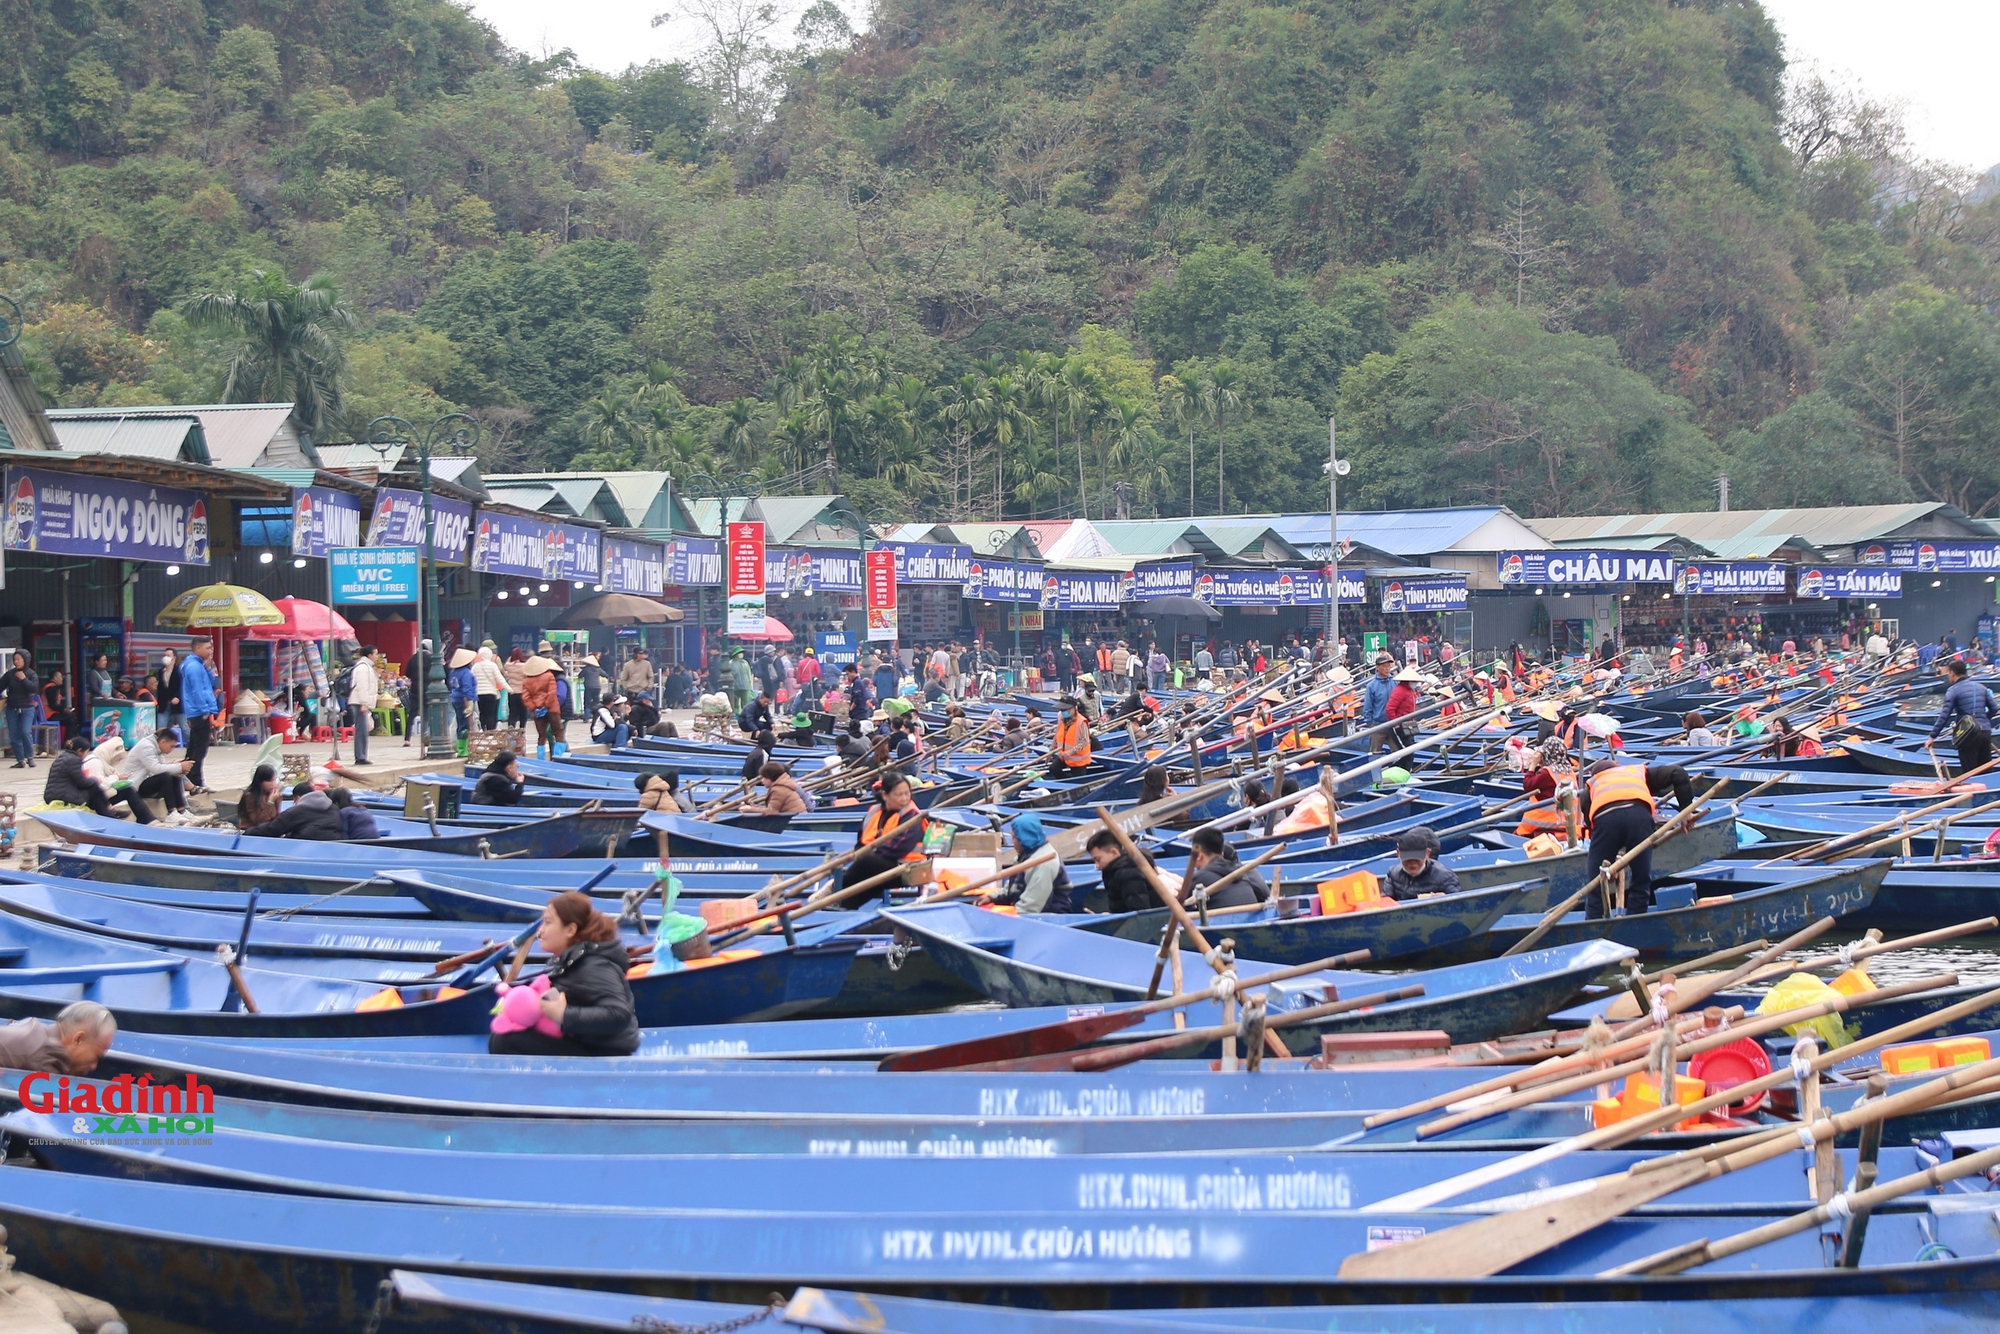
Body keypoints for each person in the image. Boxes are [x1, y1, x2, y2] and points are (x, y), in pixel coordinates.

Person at [487, 892, 639, 1057]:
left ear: (570, 930)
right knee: (502, 1036)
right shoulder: (571, 961)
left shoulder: (593, 965)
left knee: (505, 1041)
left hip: (603, 1054)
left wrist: (563, 1015)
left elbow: (618, 1014)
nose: (540, 931)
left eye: (547, 922)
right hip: (584, 1042)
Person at [1580, 758, 1696, 917]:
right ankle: (1635, 920)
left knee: (1596, 885)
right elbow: (1678, 773)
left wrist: (1608, 864)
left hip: (1606, 821)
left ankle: (1592, 928)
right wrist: (1687, 811)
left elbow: (1594, 831)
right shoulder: (1637, 772)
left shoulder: (1590, 787)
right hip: (1639, 818)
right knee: (1641, 879)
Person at [841, 772, 928, 900]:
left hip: (908, 869)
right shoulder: (873, 812)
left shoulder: (912, 815)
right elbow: (860, 844)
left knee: (866, 864)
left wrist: (870, 858)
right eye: (899, 794)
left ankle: (837, 891)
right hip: (882, 865)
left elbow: (898, 848)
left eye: (907, 793)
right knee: (864, 870)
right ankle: (844, 904)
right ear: (885, 795)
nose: (904, 798)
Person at [0, 1000, 115, 1075]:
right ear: (78, 1040)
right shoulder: (45, 1059)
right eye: (96, 1057)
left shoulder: (35, 1029)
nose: (93, 1066)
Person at [994, 813, 1077, 912]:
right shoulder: (1025, 855)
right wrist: (992, 898)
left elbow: (1031, 906)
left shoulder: (1044, 863)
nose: (1012, 842)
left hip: (1049, 917)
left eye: (1013, 837)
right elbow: (1011, 887)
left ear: (1023, 838)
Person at [1930, 658, 1997, 775]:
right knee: (1986, 772)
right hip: (1985, 732)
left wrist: (1932, 737)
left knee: (1970, 773)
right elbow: (1994, 708)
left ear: (1952, 673)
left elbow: (1944, 716)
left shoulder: (1953, 690)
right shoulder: (1982, 687)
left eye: (1948, 673)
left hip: (1968, 735)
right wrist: (1984, 720)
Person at [120, 726, 194, 822]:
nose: (172, 750)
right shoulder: (147, 747)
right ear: (163, 742)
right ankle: (171, 812)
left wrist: (177, 767)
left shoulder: (157, 747)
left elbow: (161, 767)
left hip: (146, 780)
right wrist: (179, 767)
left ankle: (182, 810)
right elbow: (156, 769)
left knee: (175, 777)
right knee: (166, 777)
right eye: (172, 746)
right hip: (135, 785)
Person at [1184, 827, 1269, 910]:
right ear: (1222, 854)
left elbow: (1181, 904)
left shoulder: (1201, 878)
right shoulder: (1241, 872)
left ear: (1199, 856)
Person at [177, 637, 220, 791]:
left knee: (194, 746)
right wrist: (205, 710)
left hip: (198, 710)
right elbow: (197, 690)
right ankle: (196, 780)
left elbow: (207, 684)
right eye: (207, 648)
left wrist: (208, 669)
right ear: (198, 649)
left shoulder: (199, 665)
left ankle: (188, 779)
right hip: (199, 711)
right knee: (200, 748)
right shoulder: (194, 666)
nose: (210, 651)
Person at [1087, 828, 1158, 914]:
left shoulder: (1129, 873)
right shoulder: (1113, 872)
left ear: (1114, 852)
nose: (1097, 866)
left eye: (1098, 859)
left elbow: (1139, 912)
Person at [1383, 827, 1463, 900]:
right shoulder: (1392, 874)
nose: (1412, 863)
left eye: (1417, 858)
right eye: (1407, 858)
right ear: (1398, 854)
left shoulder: (1445, 877)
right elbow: (1385, 903)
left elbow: (1459, 905)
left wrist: (1446, 899)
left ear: (1427, 854)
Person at [252, 781, 344, 840]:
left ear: (297, 798)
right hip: (333, 846)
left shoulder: (297, 812)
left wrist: (248, 833)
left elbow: (272, 829)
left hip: (304, 849)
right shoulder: (333, 808)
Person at [341, 646, 379, 767]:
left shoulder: (366, 667)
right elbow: (362, 686)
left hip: (362, 702)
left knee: (363, 730)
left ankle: (362, 755)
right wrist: (364, 702)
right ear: (370, 655)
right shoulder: (363, 668)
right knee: (361, 730)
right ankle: (360, 756)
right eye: (376, 654)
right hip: (359, 702)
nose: (377, 656)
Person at [521, 654, 561, 759]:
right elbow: (552, 693)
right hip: (552, 708)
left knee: (541, 735)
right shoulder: (549, 676)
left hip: (537, 712)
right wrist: (546, 705)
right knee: (558, 732)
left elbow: (526, 698)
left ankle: (541, 758)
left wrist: (535, 707)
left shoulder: (526, 681)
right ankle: (559, 756)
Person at [2, 651, 38, 767]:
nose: (16, 662)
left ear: (25, 660)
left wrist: (24, 679)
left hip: (27, 708)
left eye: (18, 659)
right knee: (14, 734)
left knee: (25, 731)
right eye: (14, 659)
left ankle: (30, 757)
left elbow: (34, 688)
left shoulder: (31, 674)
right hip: (12, 707)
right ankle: (20, 760)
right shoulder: (10, 674)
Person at [1359, 654, 1395, 754]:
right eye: (1384, 666)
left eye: (1388, 666)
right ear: (1377, 668)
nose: (1387, 669)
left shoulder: (1395, 682)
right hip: (1378, 724)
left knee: (1398, 752)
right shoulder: (1371, 686)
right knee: (1374, 753)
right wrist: (1371, 723)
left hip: (1393, 724)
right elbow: (1367, 707)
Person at [744, 762, 809, 817]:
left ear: (771, 777)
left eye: (764, 778)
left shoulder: (779, 790)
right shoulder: (779, 787)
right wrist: (755, 807)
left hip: (795, 819)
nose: (762, 780)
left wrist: (750, 809)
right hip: (795, 816)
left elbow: (772, 811)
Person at [1051, 696, 1093, 773]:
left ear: (1073, 708)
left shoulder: (1081, 722)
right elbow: (1057, 735)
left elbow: (1084, 741)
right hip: (1063, 756)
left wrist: (1070, 752)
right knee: (1053, 769)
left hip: (1078, 759)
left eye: (1065, 710)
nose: (1063, 712)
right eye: (1062, 710)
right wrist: (1051, 749)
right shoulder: (1062, 720)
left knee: (1078, 783)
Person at [235, 764, 283, 830]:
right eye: (270, 781)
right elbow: (260, 821)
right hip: (252, 831)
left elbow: (276, 818)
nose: (273, 783)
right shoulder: (250, 796)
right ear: (261, 782)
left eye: (274, 780)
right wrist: (270, 802)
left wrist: (277, 800)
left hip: (269, 830)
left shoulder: (273, 795)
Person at [1385, 666, 1422, 750]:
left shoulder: (1411, 690)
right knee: (1406, 751)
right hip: (1400, 725)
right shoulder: (1400, 690)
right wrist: (1396, 725)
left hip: (1409, 725)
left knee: (1411, 750)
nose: (1415, 683)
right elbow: (1390, 708)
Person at [447, 649, 479, 740]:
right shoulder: (466, 673)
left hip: (455, 698)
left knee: (460, 722)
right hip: (464, 700)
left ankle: (460, 743)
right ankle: (463, 746)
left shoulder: (453, 672)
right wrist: (470, 702)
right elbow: (467, 688)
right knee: (466, 724)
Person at [579, 653, 604, 718]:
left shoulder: (586, 669)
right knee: (596, 702)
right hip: (597, 687)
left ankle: (586, 717)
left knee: (587, 702)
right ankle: (595, 716)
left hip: (588, 687)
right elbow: (605, 674)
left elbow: (580, 676)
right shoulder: (598, 669)